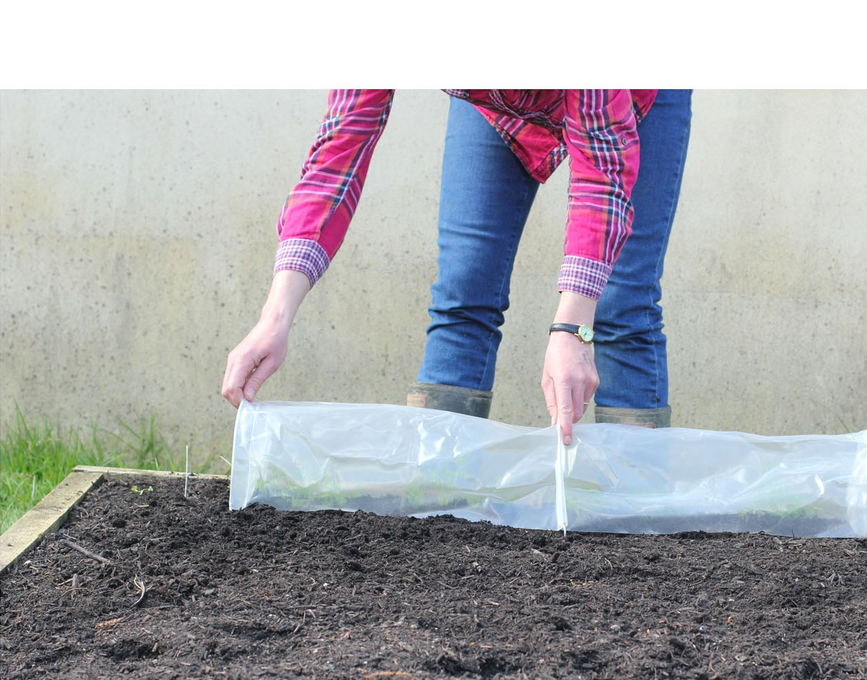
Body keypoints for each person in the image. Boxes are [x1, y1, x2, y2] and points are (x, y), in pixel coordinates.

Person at [222, 90, 692, 444]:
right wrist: (276, 316)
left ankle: (633, 518)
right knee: (465, 288)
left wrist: (572, 328)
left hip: (632, 95)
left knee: (619, 305)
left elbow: (601, 174)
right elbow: (341, 146)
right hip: (495, 104)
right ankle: (439, 499)